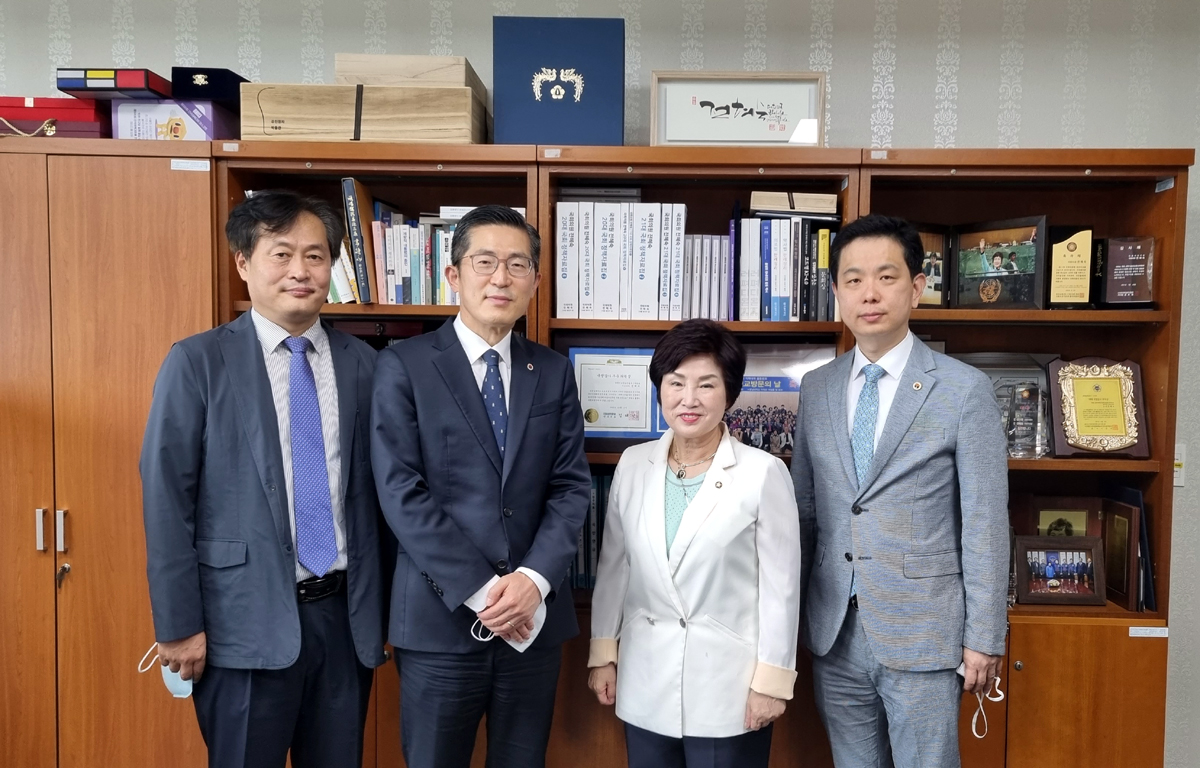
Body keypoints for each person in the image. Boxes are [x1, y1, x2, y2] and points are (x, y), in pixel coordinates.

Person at [140, 190, 388, 767]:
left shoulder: (367, 365)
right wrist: (178, 626)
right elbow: (166, 500)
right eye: (281, 254)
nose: (300, 271)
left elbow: (381, 496)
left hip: (344, 620)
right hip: (239, 623)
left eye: (316, 256)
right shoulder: (198, 362)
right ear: (243, 263)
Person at [371, 205, 591, 768]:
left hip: (532, 624)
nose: (501, 278)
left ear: (535, 281)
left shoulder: (553, 371)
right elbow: (401, 491)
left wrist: (533, 581)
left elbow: (570, 487)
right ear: (453, 274)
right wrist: (484, 590)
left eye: (518, 265)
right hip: (439, 622)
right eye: (485, 262)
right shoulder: (403, 366)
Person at [791, 214, 1009, 768]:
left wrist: (985, 637)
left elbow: (985, 522)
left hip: (924, 632)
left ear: (916, 287)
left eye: (886, 277)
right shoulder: (817, 388)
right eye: (853, 279)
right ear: (837, 291)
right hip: (835, 630)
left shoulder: (963, 390)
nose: (869, 293)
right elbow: (805, 511)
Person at [587, 319, 801, 768]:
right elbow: (614, 567)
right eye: (676, 382)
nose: (689, 399)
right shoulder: (633, 464)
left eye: (706, 384)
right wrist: (603, 652)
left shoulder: (762, 473)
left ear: (729, 393)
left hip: (729, 687)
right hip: (645, 678)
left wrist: (772, 682)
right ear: (659, 389)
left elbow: (781, 588)